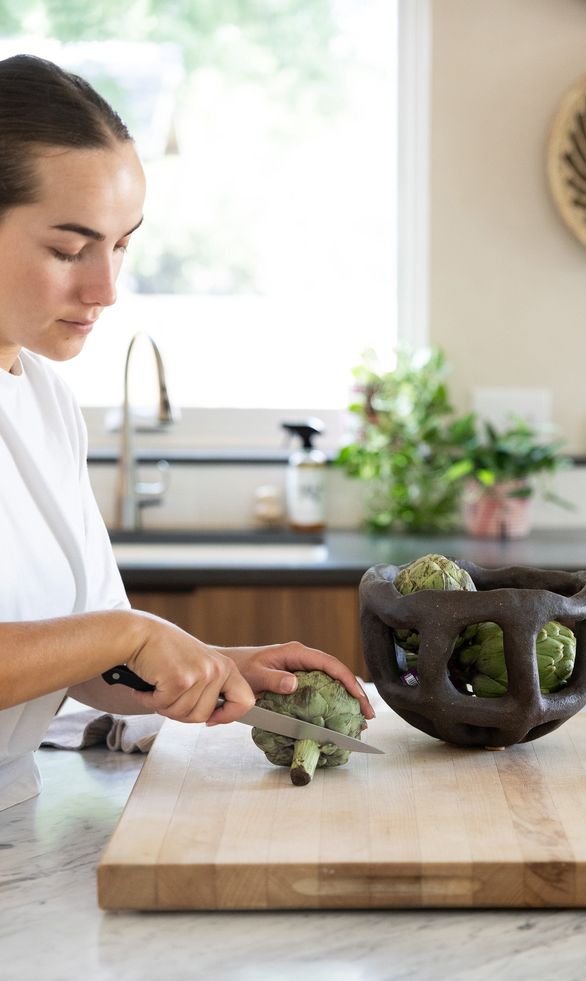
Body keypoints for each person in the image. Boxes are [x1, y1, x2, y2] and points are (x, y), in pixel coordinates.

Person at [0, 54, 374, 812]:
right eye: (70, 250)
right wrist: (127, 633)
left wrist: (214, 663)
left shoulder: (44, 399)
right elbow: (105, 638)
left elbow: (79, 661)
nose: (106, 289)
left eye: (123, 244)